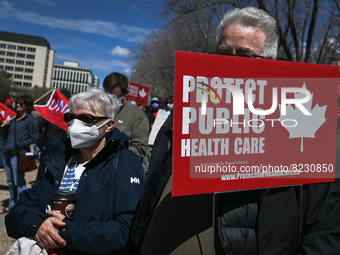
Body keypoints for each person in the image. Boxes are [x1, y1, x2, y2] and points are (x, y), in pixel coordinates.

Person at [129, 7, 340, 255]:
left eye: (245, 55)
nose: (230, 62)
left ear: (269, 63)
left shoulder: (298, 120)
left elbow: (324, 228)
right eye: (223, 53)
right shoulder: (187, 110)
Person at [5, 89, 146, 254]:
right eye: (71, 118)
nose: (75, 124)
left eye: (86, 118)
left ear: (109, 125)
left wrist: (64, 232)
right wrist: (39, 225)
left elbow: (128, 230)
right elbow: (17, 213)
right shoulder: (60, 160)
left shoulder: (124, 163)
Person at [0, 95, 39, 214]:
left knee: (19, 182)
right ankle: (12, 204)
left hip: (18, 154)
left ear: (27, 106)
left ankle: (22, 205)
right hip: (7, 153)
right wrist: (6, 126)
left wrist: (19, 144)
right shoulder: (14, 119)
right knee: (11, 181)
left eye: (20, 104)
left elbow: (34, 137)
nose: (17, 105)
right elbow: (8, 135)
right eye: (17, 103)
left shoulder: (31, 121)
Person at [103, 72, 149, 161]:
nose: (110, 100)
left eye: (115, 97)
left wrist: (113, 159)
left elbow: (139, 149)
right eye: (107, 95)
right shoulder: (99, 110)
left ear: (126, 93)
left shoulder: (138, 115)